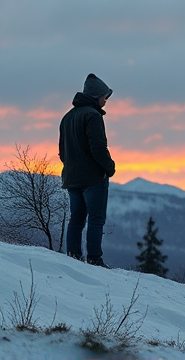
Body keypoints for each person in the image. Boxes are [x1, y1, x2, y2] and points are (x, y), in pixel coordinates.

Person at [59, 73, 116, 268]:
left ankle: (73, 257)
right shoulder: (93, 116)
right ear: (95, 96)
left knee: (76, 219)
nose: (106, 100)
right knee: (96, 218)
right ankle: (94, 259)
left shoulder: (67, 117)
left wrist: (71, 167)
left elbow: (62, 151)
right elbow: (98, 148)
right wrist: (109, 168)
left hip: (72, 178)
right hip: (93, 178)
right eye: (104, 96)